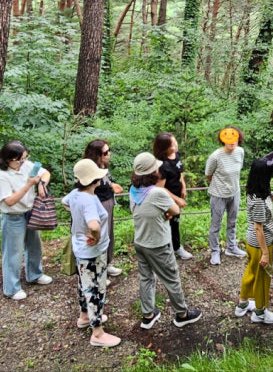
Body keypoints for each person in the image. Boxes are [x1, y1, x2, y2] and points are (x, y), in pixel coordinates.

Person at [129, 153, 202, 330]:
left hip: (140, 241)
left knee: (146, 278)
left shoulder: (134, 190)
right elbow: (175, 210)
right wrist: (166, 212)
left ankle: (148, 315)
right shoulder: (157, 193)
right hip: (158, 243)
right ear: (153, 171)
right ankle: (182, 315)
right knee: (171, 278)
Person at [63, 159, 120, 347]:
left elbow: (65, 203)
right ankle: (97, 333)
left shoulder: (75, 194)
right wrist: (95, 236)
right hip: (93, 251)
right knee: (96, 288)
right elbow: (94, 225)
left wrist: (77, 216)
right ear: (95, 180)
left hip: (80, 248)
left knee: (84, 284)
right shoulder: (88, 200)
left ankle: (84, 316)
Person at [0, 140, 53, 301]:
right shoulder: (1, 176)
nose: (23, 162)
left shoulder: (25, 165)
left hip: (30, 212)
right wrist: (28, 185)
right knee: (13, 252)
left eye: (25, 158)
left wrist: (41, 185)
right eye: (20, 160)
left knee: (35, 246)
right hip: (13, 216)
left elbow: (45, 173)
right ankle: (11, 288)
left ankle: (35, 274)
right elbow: (9, 201)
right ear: (8, 160)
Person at [235, 158, 273, 324]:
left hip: (254, 243)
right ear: (264, 175)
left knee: (251, 272)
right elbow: (258, 228)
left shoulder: (259, 190)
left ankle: (242, 304)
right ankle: (260, 312)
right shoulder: (258, 200)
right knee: (262, 278)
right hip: (259, 244)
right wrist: (265, 253)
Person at [83, 139, 125, 277]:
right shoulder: (89, 170)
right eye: (106, 152)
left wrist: (112, 185)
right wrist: (110, 186)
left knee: (108, 235)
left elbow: (108, 180)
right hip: (98, 204)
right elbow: (92, 186)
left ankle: (107, 263)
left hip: (108, 202)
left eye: (108, 150)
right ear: (97, 155)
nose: (109, 154)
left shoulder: (103, 167)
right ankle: (98, 269)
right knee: (99, 236)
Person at [205, 126, 246, 265]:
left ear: (239, 139)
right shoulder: (215, 156)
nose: (231, 141)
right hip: (218, 194)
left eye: (234, 138)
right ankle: (215, 251)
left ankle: (231, 247)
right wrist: (220, 185)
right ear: (223, 139)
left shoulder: (240, 152)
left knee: (232, 221)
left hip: (235, 192)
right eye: (228, 138)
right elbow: (208, 175)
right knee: (215, 224)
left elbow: (238, 171)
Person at [152, 132, 193, 260]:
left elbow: (180, 172)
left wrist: (183, 186)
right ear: (164, 148)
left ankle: (175, 247)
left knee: (175, 222)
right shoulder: (162, 165)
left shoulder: (176, 155)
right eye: (172, 145)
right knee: (168, 223)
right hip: (167, 199)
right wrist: (176, 199)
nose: (176, 146)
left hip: (177, 194)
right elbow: (160, 188)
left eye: (175, 142)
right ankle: (171, 249)